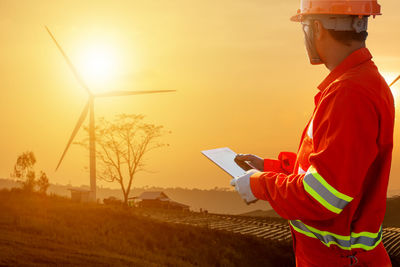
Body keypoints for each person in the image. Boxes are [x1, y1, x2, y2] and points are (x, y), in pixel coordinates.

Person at [230, 0, 395, 266]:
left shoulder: (349, 93)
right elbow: (338, 169)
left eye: (305, 26)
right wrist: (271, 168)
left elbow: (324, 196)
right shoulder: (362, 83)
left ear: (317, 28)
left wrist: (260, 184)